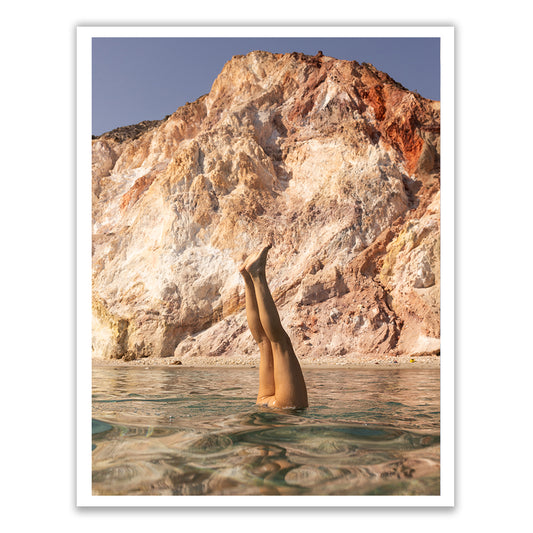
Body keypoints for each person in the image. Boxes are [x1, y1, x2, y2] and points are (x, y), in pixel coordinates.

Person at [239, 243, 308, 409]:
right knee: (268, 343)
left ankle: (253, 278)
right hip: (279, 406)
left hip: (280, 406)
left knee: (273, 343)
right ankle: (252, 277)